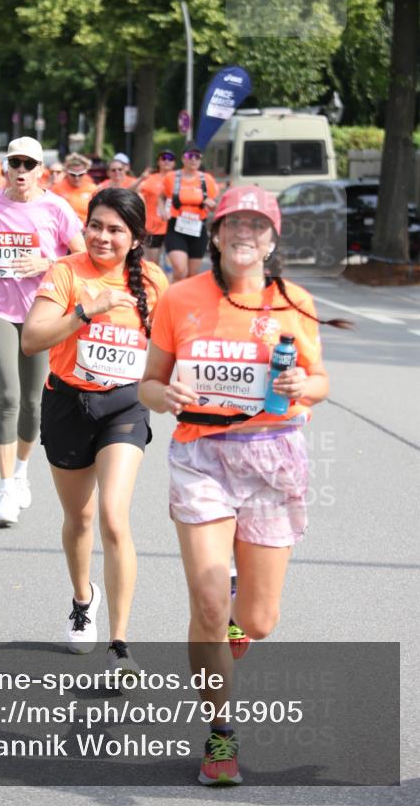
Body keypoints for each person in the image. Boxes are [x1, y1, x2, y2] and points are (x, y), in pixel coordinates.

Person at [139, 184, 347, 786]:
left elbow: (320, 380)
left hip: (272, 457)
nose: (244, 234)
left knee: (258, 619)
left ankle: (238, 615)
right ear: (215, 233)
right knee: (207, 605)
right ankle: (220, 734)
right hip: (200, 456)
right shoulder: (181, 298)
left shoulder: (294, 302)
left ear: (272, 239)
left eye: (257, 225)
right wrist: (165, 394)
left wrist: (306, 388)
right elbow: (148, 384)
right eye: (233, 223)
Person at [22, 188, 168, 673]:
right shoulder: (66, 272)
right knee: (79, 519)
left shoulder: (153, 281)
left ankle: (120, 645)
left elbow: (170, 346)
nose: (103, 237)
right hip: (67, 403)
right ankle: (83, 599)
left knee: (113, 517)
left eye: (116, 230)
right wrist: (86, 311)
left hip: (123, 405)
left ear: (136, 238)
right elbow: (31, 339)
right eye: (96, 226)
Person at [0, 137, 85, 527]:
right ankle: (5, 490)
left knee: (33, 402)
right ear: (6, 167)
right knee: (9, 396)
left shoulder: (56, 208)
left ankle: (20, 472)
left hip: (40, 313)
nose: (20, 170)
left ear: (39, 170)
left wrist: (46, 263)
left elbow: (82, 256)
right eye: (14, 162)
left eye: (28, 164)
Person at [159, 144, 219, 282]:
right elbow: (161, 197)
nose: (193, 159)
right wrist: (162, 210)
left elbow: (214, 204)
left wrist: (211, 204)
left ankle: (183, 294)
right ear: (183, 159)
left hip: (198, 229)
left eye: (197, 156)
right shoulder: (172, 177)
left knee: (192, 275)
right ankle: (173, 293)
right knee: (180, 271)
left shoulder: (207, 179)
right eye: (190, 156)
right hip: (176, 228)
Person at [135, 149, 177, 264]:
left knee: (174, 264)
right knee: (154, 263)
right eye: (164, 158)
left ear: (174, 163)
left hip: (174, 227)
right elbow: (133, 192)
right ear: (158, 162)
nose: (167, 161)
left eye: (170, 159)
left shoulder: (179, 179)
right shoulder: (150, 178)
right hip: (154, 227)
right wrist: (141, 178)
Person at [51, 153, 97, 225]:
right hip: (64, 226)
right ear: (66, 172)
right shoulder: (56, 188)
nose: (77, 178)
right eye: (73, 174)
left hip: (86, 226)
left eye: (80, 174)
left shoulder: (93, 189)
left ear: (86, 172)